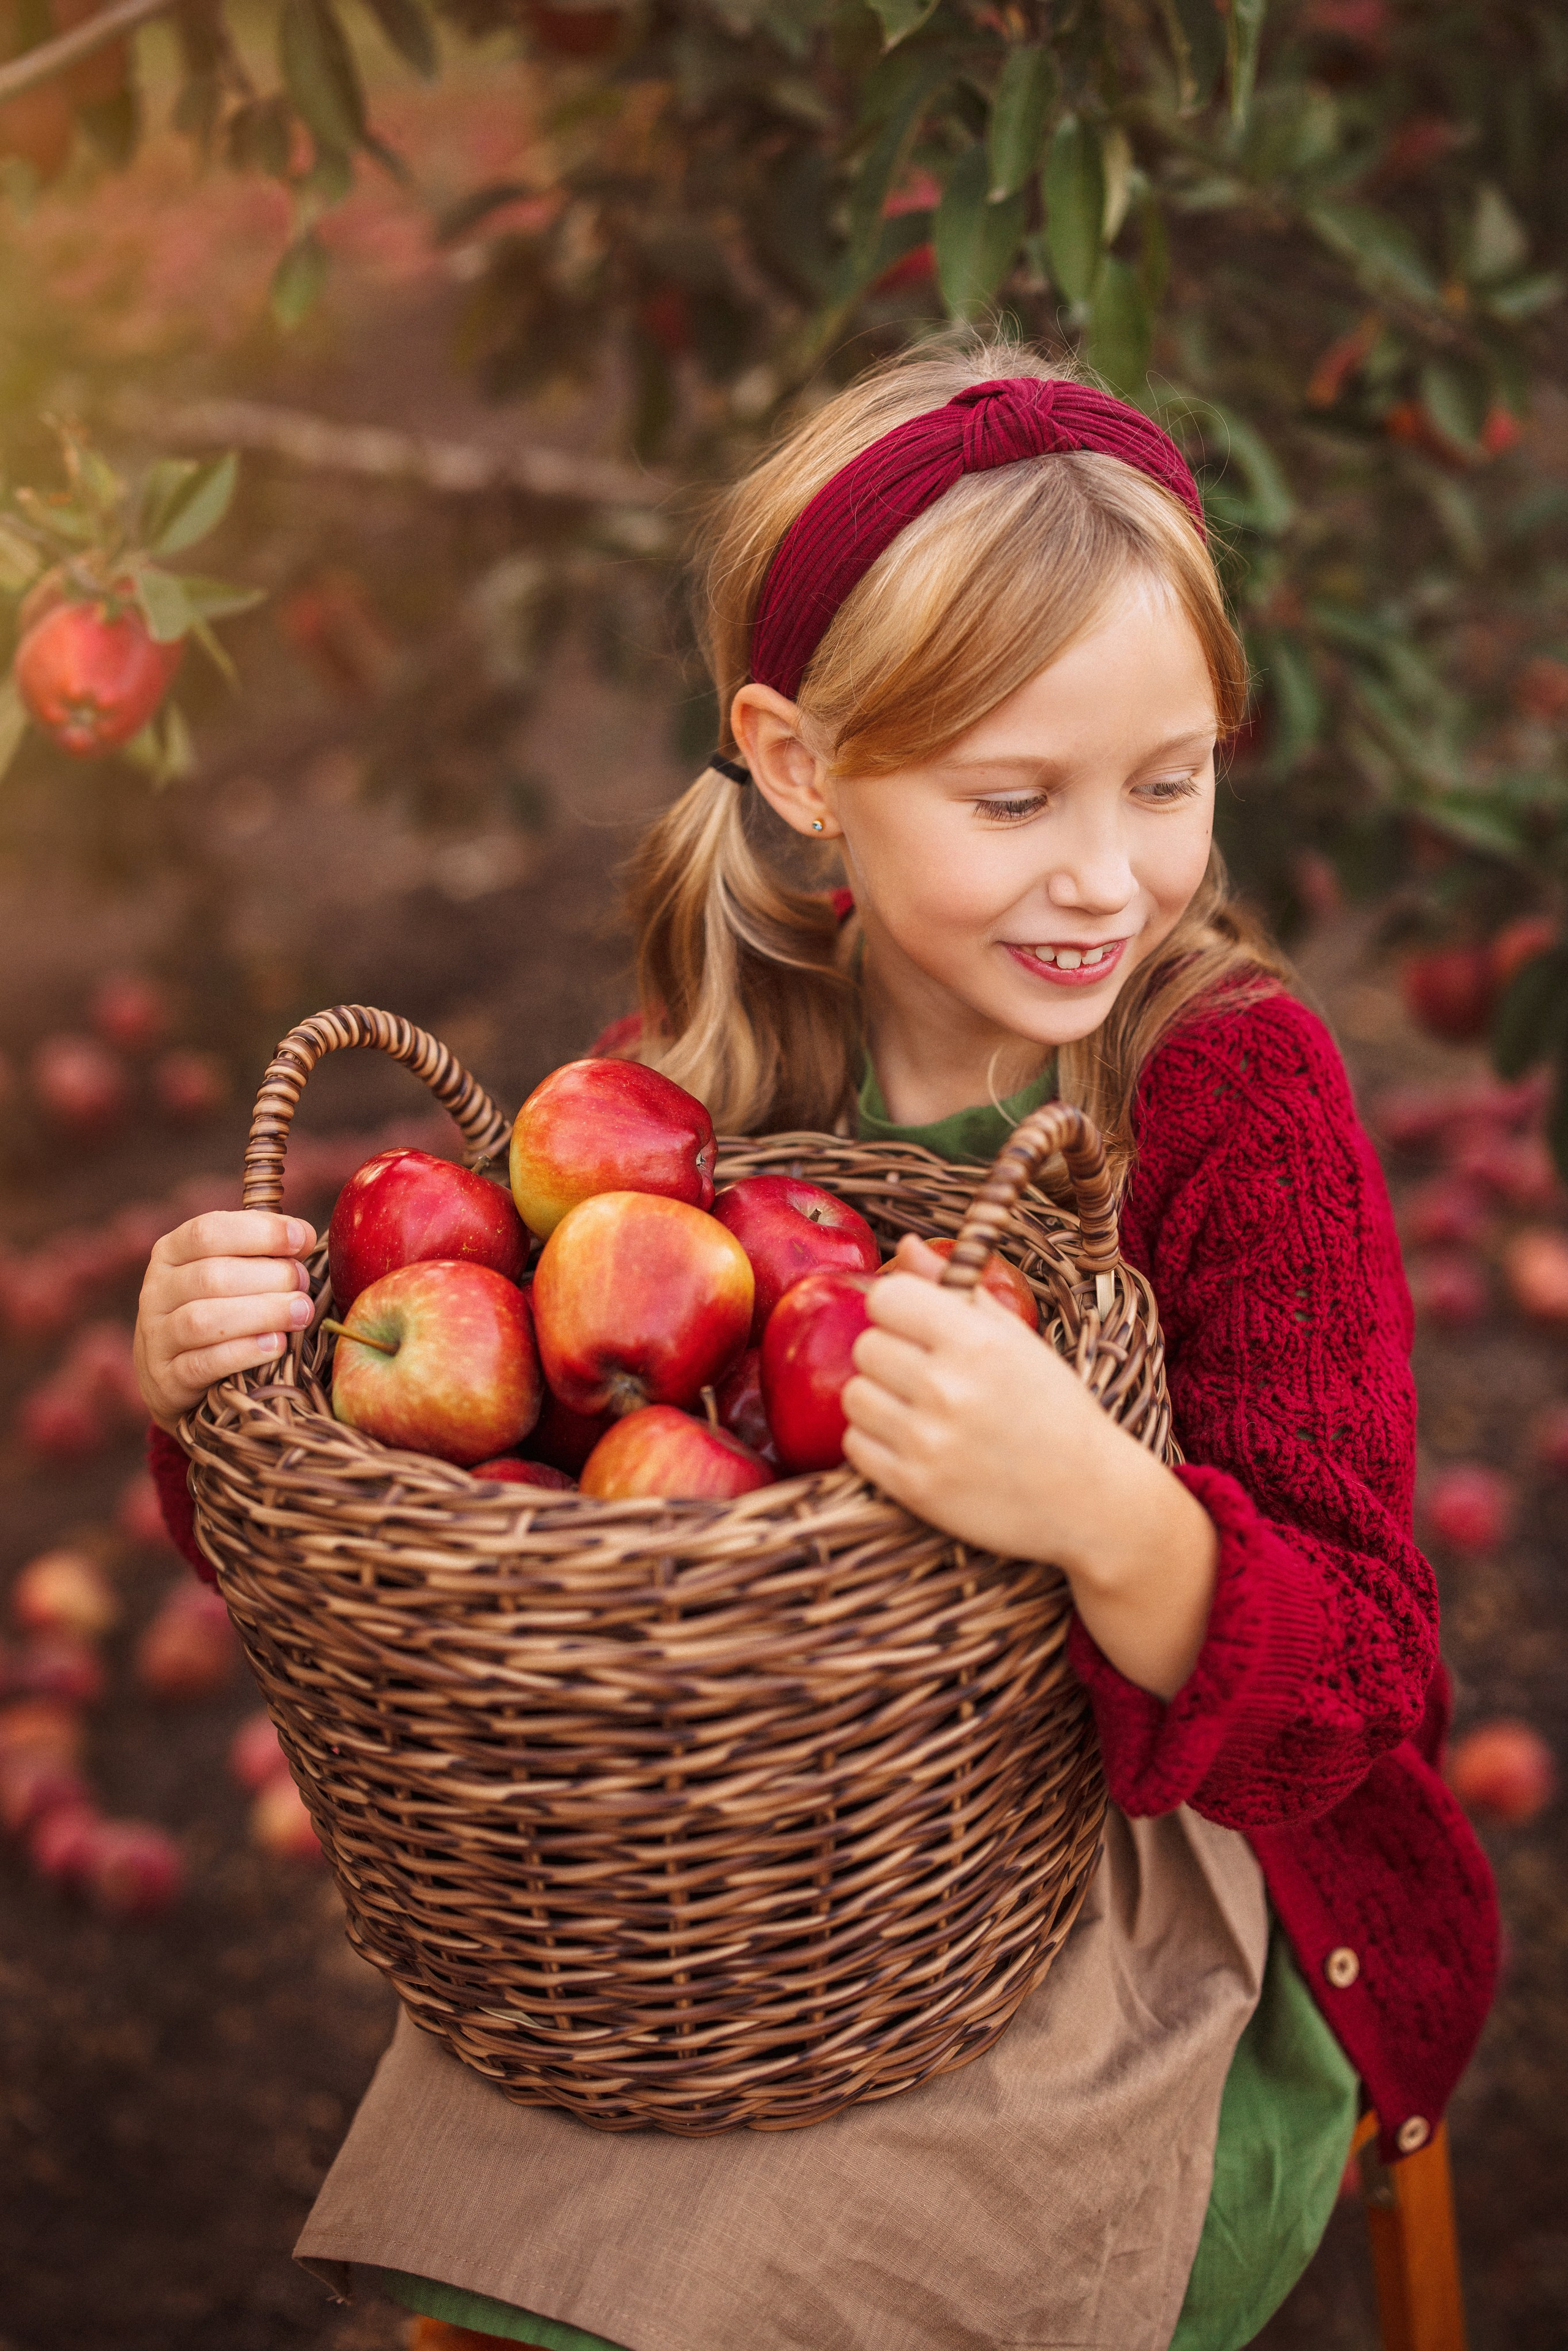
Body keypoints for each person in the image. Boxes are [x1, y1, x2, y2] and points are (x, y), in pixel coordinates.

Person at [135, 340, 1498, 2351]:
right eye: (1013, 797)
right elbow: (442, 1534)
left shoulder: (1227, 1100)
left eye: (1172, 780)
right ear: (795, 764)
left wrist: (1106, 1514)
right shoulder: (683, 1107)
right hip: (749, 1891)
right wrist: (223, 1396)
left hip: (1157, 1894)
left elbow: (1367, 1672)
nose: (1105, 874)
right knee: (560, 2243)